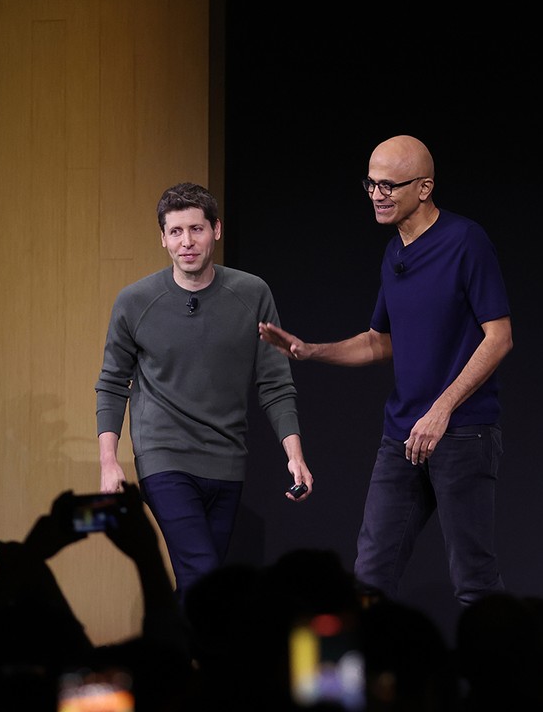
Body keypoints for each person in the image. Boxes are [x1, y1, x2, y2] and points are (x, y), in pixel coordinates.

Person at [259, 134, 513, 606]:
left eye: (389, 185)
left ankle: (505, 679)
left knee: (474, 582)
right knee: (369, 577)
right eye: (371, 183)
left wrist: (441, 410)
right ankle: (364, 679)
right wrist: (310, 350)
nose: (377, 194)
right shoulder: (393, 252)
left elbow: (498, 337)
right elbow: (379, 342)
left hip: (461, 433)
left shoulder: (465, 241)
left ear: (424, 187)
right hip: (401, 436)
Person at [96, 182, 313, 607]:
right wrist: (109, 461)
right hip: (164, 456)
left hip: (226, 459)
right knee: (202, 574)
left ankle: (174, 662)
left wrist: (295, 453)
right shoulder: (135, 301)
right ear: (162, 238)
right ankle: (209, 669)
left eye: (195, 229)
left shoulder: (252, 294)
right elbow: (111, 381)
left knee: (203, 586)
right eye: (175, 232)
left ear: (216, 229)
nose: (186, 242)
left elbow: (274, 381)